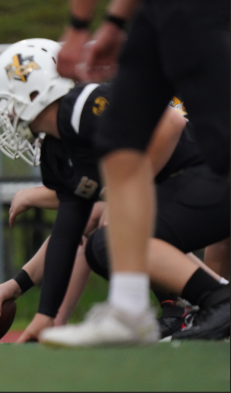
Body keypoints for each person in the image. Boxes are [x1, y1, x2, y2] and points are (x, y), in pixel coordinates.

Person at [0, 38, 229, 344]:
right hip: (201, 186)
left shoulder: (84, 105)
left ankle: (214, 301)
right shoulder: (61, 148)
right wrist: (43, 315)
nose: (5, 114)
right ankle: (212, 302)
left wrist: (127, 191)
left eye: (6, 100)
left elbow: (171, 122)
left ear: (33, 90)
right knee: (100, 245)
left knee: (113, 236)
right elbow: (68, 233)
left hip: (214, 176)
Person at [45, 0, 230, 346]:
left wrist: (79, 24)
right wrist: (115, 21)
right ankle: (128, 311)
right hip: (153, 12)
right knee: (119, 144)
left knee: (223, 146)